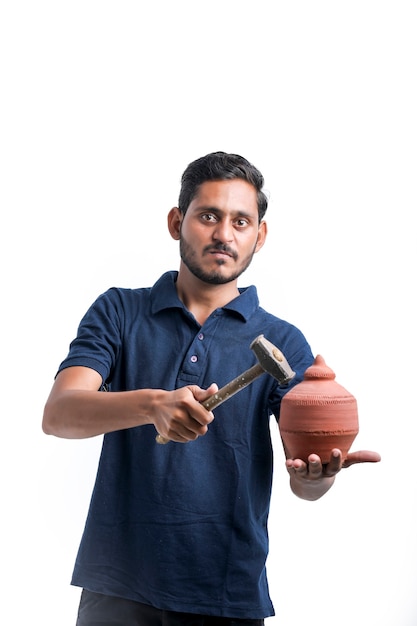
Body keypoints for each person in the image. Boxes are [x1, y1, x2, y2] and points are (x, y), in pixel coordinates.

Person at [42, 151, 380, 626]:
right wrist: (154, 404)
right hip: (116, 583)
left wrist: (316, 477)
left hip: (226, 590)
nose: (224, 234)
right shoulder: (119, 312)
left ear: (259, 236)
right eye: (208, 216)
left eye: (241, 221)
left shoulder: (283, 340)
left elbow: (304, 479)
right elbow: (59, 414)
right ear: (177, 221)